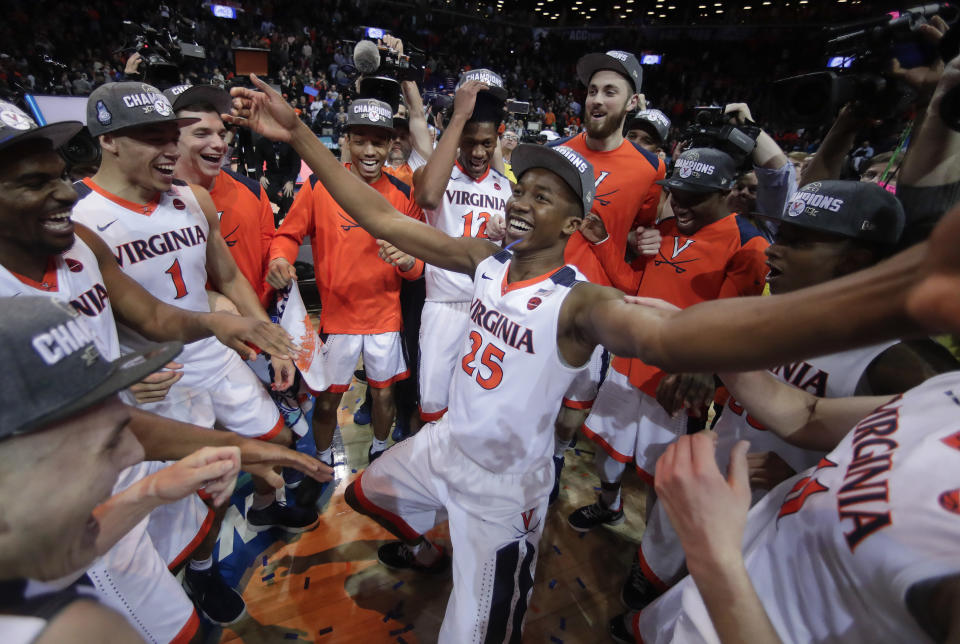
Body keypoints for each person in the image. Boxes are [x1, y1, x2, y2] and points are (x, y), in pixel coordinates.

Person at [234, 68, 960, 643]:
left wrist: (896, 298)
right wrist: (298, 134)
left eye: (544, 197)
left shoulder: (580, 301)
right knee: (373, 493)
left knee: (477, 631)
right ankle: (435, 546)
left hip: (503, 487)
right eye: (524, 188)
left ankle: (470, 559)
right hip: (451, 443)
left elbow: (670, 338)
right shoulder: (485, 257)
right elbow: (381, 214)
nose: (522, 201)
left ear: (574, 223)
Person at [0, 99, 332, 635]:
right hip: (102, 457)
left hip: (149, 406)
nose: (63, 191)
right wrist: (131, 368)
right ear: (107, 141)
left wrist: (234, 327)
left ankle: (202, 570)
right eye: (36, 183)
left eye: (60, 176)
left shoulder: (80, 243)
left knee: (206, 499)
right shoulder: (85, 219)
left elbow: (153, 313)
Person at [612, 180, 958, 629]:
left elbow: (877, 480)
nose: (775, 249)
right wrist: (697, 345)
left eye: (797, 242)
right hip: (723, 476)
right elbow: (805, 413)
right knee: (661, 594)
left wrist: (803, 480)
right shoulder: (783, 307)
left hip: (774, 534)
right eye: (781, 234)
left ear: (854, 260)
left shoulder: (901, 364)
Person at [73, 84, 319, 536]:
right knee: (198, 492)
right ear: (107, 140)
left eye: (172, 137)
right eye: (155, 138)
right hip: (152, 378)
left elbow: (227, 278)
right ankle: (202, 572)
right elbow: (74, 320)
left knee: (276, 440)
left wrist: (272, 343)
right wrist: (116, 372)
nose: (170, 150)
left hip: (213, 354)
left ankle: (262, 509)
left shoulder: (192, 198)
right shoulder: (77, 217)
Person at [0, 295, 241, 644]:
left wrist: (149, 492)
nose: (133, 453)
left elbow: (54, 556)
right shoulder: (69, 630)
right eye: (105, 444)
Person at [568, 148, 769, 532]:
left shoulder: (748, 244)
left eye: (694, 196)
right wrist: (604, 240)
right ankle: (609, 505)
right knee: (607, 448)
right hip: (629, 362)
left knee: (664, 474)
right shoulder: (662, 231)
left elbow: (725, 326)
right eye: (676, 192)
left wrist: (703, 371)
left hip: (677, 379)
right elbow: (631, 287)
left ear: (726, 192)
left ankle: (651, 557)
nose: (679, 203)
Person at [266, 98, 424, 505]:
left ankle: (379, 452)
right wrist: (280, 258)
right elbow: (287, 234)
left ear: (391, 144)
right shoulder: (320, 186)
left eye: (378, 142)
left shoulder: (404, 193)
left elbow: (419, 266)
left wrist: (407, 261)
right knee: (327, 399)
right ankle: (322, 461)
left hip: (386, 317)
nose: (369, 151)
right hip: (337, 318)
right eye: (360, 141)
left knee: (383, 395)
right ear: (346, 141)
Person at [549, 51, 666, 501]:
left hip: (597, 300)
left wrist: (646, 241)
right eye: (592, 90)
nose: (596, 100)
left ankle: (558, 455)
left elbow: (646, 228)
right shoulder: (558, 154)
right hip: (545, 294)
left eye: (609, 92)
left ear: (631, 102)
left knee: (572, 407)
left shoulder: (649, 168)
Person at [411, 70, 511, 424]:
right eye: (469, 142)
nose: (478, 151)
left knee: (479, 409)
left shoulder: (506, 187)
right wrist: (459, 119)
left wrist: (507, 234)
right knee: (434, 407)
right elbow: (425, 195)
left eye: (486, 142)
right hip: (443, 305)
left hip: (489, 309)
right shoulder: (436, 174)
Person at [164, 84, 277, 308]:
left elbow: (269, 263)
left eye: (221, 134)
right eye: (202, 133)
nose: (219, 144)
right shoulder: (149, 200)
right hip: (188, 338)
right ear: (169, 139)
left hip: (253, 333)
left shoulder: (252, 191)